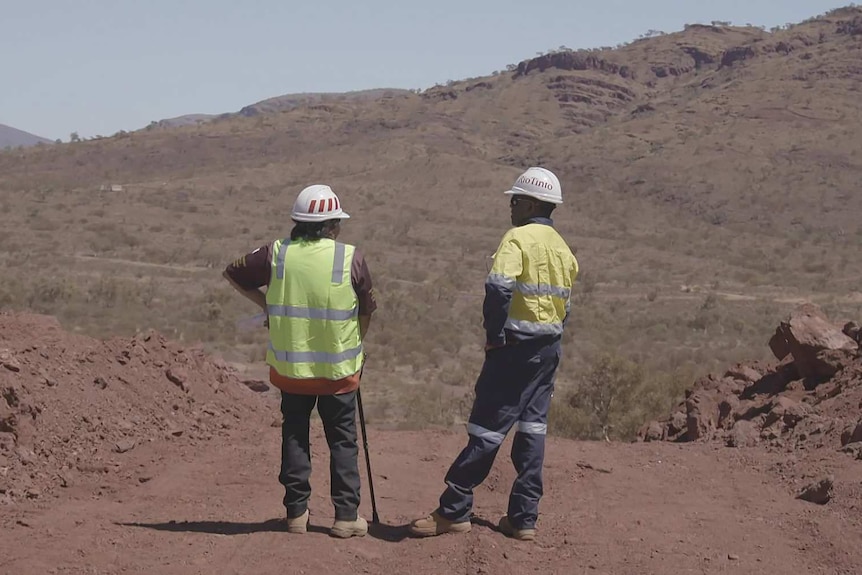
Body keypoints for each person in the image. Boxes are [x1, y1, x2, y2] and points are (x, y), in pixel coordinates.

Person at [409, 167, 578, 541]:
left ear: (531, 202)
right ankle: (523, 519)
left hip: (514, 350)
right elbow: (566, 308)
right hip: (548, 351)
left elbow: (498, 288)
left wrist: (494, 335)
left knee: (487, 430)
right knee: (532, 431)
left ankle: (454, 510)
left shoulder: (517, 239)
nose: (511, 207)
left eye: (515, 200)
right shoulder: (563, 249)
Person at [223, 184, 376, 538]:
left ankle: (296, 514)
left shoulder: (275, 254)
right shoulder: (349, 258)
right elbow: (366, 313)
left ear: (298, 222)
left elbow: (233, 272)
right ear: (333, 225)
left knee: (295, 435)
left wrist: (267, 306)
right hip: (339, 372)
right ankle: (345, 516)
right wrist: (354, 346)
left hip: (291, 372)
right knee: (342, 440)